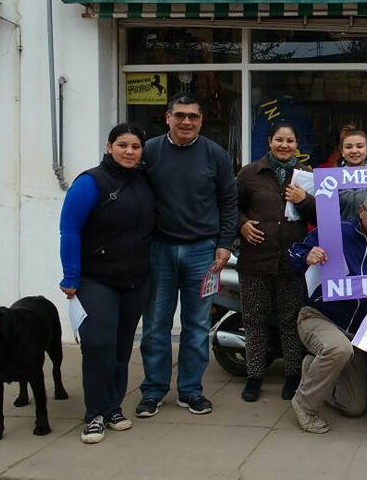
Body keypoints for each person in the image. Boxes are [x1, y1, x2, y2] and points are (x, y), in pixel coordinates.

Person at [135, 93, 238, 418]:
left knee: (195, 326)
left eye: (193, 116)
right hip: (158, 251)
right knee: (155, 326)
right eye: (179, 115)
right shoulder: (148, 151)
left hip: (202, 254)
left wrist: (224, 243)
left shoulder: (215, 155)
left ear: (201, 120)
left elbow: (228, 202)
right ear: (167, 117)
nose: (186, 122)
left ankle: (191, 391)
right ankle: (153, 390)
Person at [59, 124, 154, 444]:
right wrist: (70, 275)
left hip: (135, 279)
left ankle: (113, 407)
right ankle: (94, 414)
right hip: (95, 279)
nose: (130, 151)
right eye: (123, 145)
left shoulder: (143, 181)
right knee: (98, 345)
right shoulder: (90, 182)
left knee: (121, 348)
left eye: (136, 146)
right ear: (109, 146)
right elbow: (69, 229)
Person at [287, 191, 367, 434]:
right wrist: (307, 255)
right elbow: (292, 253)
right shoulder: (337, 232)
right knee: (338, 349)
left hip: (354, 333)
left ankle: (313, 367)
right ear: (361, 212)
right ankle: (304, 404)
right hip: (318, 317)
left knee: (354, 407)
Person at [235, 122, 313, 403]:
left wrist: (304, 199)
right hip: (255, 260)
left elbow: (320, 211)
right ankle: (254, 375)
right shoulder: (250, 173)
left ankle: (293, 375)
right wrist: (242, 225)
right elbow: (231, 207)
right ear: (269, 141)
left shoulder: (306, 175)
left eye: (289, 140)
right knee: (255, 320)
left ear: (296, 144)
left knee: (291, 321)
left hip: (291, 261)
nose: (284, 145)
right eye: (279, 139)